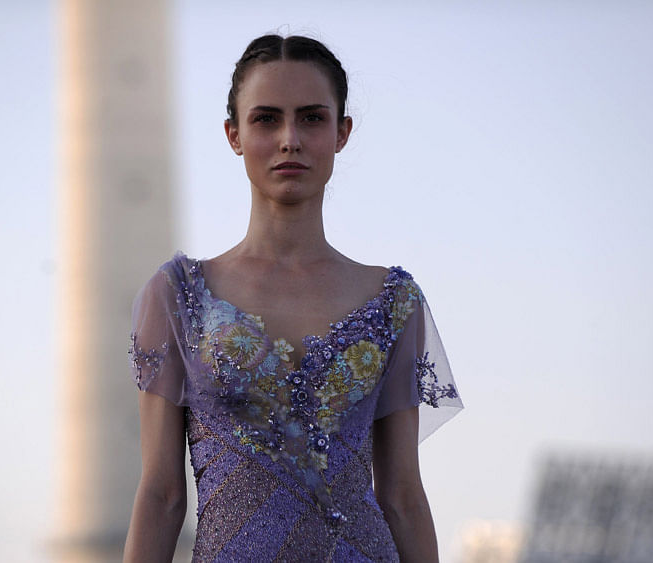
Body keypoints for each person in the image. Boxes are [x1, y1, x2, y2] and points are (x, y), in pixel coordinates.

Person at [125, 34, 463, 562]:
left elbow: (401, 496)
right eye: (266, 119)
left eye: (311, 117)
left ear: (341, 132)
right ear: (233, 134)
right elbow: (163, 496)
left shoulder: (395, 301)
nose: (289, 139)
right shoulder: (177, 295)